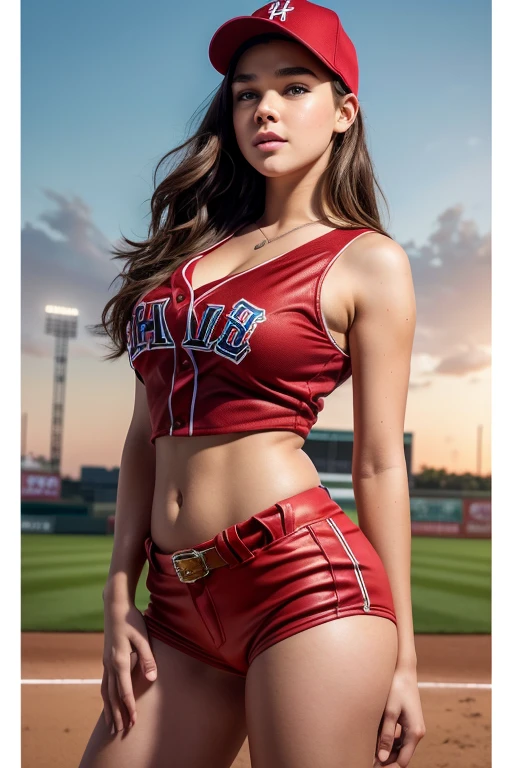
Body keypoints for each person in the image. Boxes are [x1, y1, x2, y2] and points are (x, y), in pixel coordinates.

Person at [79, 1, 426, 766]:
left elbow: (377, 463)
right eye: (246, 91)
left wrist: (403, 653)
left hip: (303, 582)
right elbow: (146, 434)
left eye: (294, 87)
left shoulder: (366, 260)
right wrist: (117, 589)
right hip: (174, 602)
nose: (265, 107)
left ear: (344, 112)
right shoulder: (183, 257)